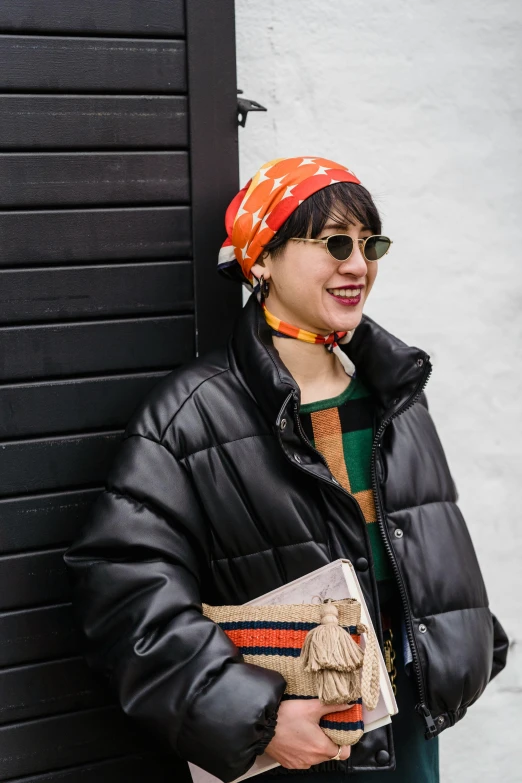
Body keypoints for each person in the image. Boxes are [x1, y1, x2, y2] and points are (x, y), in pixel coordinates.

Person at [64, 156, 508, 782]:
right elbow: (125, 598)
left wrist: (461, 650)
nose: (357, 264)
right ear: (263, 258)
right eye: (332, 243)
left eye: (368, 243)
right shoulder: (190, 414)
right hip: (291, 745)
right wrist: (259, 720)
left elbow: (424, 538)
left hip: (406, 716)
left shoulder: (394, 391)